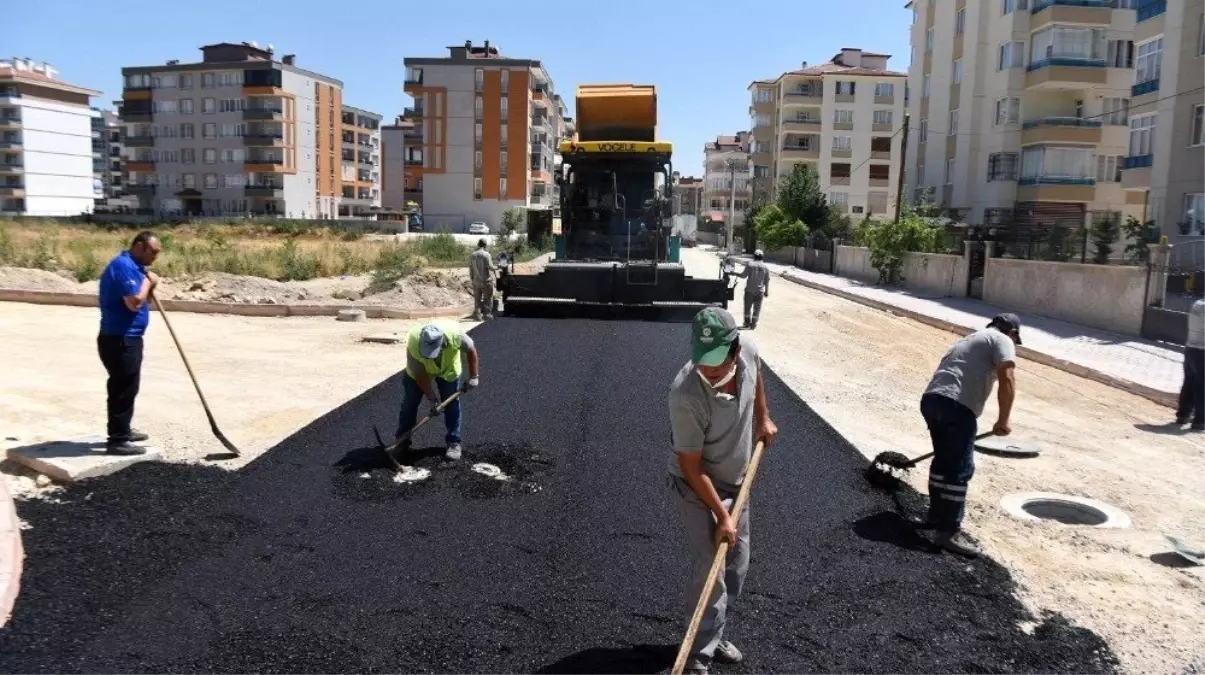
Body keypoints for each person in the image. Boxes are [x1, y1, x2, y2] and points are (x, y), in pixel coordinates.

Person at [667, 307, 778, 674]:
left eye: (717, 362)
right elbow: (691, 466)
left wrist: (763, 416)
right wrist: (721, 514)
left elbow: (757, 377)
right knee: (710, 569)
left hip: (737, 478)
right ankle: (699, 653)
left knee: (737, 566)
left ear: (735, 349)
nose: (709, 370)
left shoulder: (749, 349)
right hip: (697, 487)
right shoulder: (685, 394)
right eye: (703, 363)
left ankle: (716, 632)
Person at [916, 313, 1020, 557]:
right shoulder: (1002, 340)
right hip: (957, 406)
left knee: (943, 462)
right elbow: (1008, 377)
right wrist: (1003, 419)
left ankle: (934, 517)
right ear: (1012, 332)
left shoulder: (971, 338)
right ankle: (947, 532)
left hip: (932, 400)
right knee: (960, 468)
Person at [96, 231, 162, 455]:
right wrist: (147, 283)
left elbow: (144, 300)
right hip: (119, 339)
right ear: (140, 246)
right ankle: (117, 440)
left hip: (129, 337)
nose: (155, 257)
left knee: (128, 387)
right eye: (153, 252)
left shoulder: (135, 268)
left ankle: (123, 429)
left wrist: (148, 285)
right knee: (122, 388)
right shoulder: (123, 266)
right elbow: (134, 302)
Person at [397, 321, 480, 461]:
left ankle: (454, 442)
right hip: (418, 373)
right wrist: (431, 398)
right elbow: (420, 374)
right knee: (409, 406)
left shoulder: (456, 336)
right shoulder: (413, 341)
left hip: (448, 370)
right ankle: (401, 442)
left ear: (442, 344)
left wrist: (474, 376)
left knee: (452, 404)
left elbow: (471, 349)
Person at [1176, 298, 1205, 428]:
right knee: (1201, 387)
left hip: (1191, 349)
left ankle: (1183, 415)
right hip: (1202, 351)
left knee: (1189, 383)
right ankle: (1200, 421)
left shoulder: (1197, 304)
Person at [736, 249, 770, 329]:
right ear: (762, 257)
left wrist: (734, 273)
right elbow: (766, 280)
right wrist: (766, 291)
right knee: (757, 309)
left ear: (754, 256)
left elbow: (743, 276)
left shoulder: (750, 264)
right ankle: (753, 324)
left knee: (747, 308)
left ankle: (747, 323)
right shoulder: (765, 267)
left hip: (749, 291)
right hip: (760, 292)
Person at [468, 239, 496, 320]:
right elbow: (491, 267)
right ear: (485, 245)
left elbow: (471, 268)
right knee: (488, 298)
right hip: (486, 280)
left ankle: (478, 315)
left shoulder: (473, 255)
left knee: (477, 299)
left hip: (476, 281)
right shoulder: (486, 254)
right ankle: (487, 315)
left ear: (478, 244)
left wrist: (472, 278)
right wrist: (499, 266)